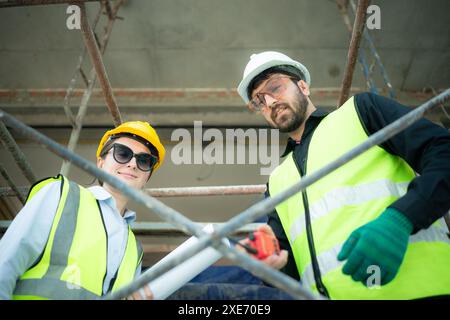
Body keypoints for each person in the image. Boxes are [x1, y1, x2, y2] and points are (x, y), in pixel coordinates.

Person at [236, 51, 450, 299]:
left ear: (303, 86)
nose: (270, 103)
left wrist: (400, 220)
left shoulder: (361, 113)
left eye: (275, 87)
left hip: (420, 292)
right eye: (259, 101)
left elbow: (444, 152)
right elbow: (293, 265)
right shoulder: (277, 181)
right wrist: (272, 267)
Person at [0, 121, 165, 300]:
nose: (133, 164)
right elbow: (5, 265)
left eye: (144, 160)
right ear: (100, 162)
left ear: (147, 177)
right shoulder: (61, 195)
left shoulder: (135, 250)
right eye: (122, 154)